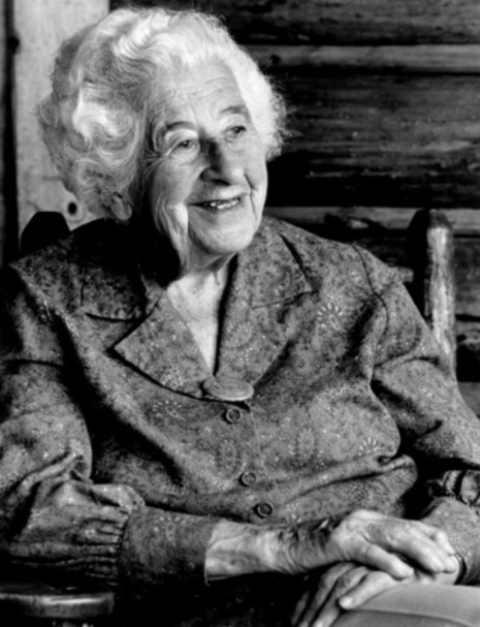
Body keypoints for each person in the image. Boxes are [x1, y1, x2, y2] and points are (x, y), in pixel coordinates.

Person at [1, 6, 480, 627]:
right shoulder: (46, 302)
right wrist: (280, 547)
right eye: (183, 143)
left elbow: (470, 468)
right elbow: (29, 507)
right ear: (117, 173)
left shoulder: (350, 282)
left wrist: (427, 560)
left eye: (235, 130)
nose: (228, 170)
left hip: (396, 599)